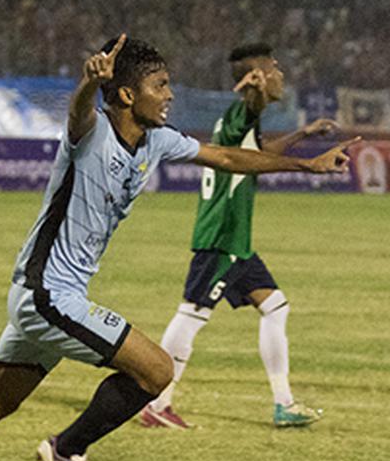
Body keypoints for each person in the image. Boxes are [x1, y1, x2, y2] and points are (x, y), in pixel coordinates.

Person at [0, 33, 356, 461]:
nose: (170, 94)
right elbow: (79, 112)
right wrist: (89, 83)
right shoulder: (93, 131)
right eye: (160, 84)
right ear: (126, 94)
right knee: (157, 371)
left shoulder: (157, 138)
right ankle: (67, 450)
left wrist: (307, 164)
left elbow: (229, 158)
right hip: (46, 295)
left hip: (53, 298)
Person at [139, 43, 335, 431]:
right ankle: (157, 403)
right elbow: (249, 115)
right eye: (274, 68)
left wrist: (302, 133)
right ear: (257, 76)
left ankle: (284, 404)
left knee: (276, 307)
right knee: (192, 314)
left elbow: (257, 154)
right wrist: (255, 97)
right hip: (223, 237)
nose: (281, 74)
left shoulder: (237, 124)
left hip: (237, 242)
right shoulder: (239, 114)